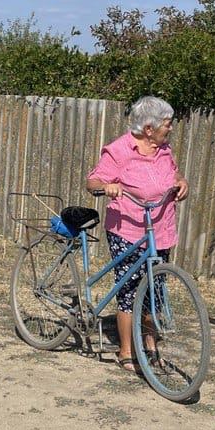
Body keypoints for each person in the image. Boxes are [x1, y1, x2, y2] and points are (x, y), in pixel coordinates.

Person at [86, 96, 189, 372]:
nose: (170, 129)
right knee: (129, 289)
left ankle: (150, 346)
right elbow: (92, 180)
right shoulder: (119, 150)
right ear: (148, 128)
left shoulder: (164, 149)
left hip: (160, 229)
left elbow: (173, 174)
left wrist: (181, 182)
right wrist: (107, 186)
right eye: (167, 125)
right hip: (128, 229)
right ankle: (126, 352)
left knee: (155, 290)